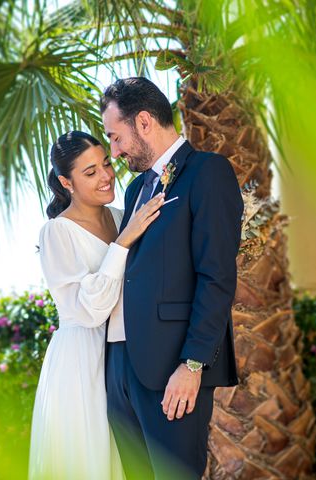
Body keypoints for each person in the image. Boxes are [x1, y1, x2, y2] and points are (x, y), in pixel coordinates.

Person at [101, 77, 244, 479]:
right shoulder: (134, 192)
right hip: (123, 366)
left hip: (173, 368)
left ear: (143, 121)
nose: (115, 151)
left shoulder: (207, 173)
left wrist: (193, 364)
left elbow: (216, 276)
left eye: (116, 137)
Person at [28, 130, 163, 480]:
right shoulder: (57, 232)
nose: (105, 176)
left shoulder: (122, 216)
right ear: (65, 182)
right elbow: (89, 309)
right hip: (81, 362)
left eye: (106, 163)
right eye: (90, 172)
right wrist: (124, 241)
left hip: (127, 356)